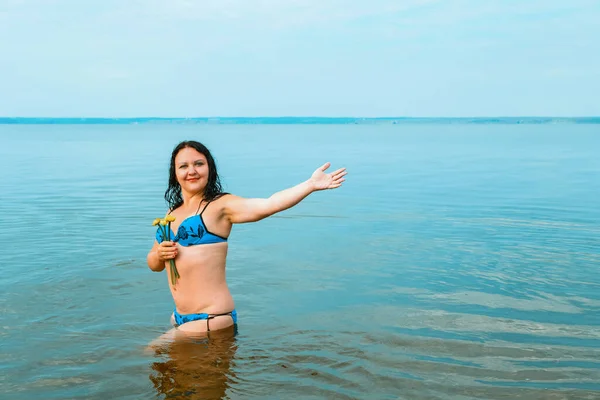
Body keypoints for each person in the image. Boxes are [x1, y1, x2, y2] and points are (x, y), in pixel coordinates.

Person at [146, 140, 347, 336]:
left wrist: (310, 185)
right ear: (175, 172)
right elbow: (154, 264)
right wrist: (160, 255)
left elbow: (270, 204)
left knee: (148, 354)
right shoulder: (172, 212)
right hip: (180, 318)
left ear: (210, 168)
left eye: (199, 164)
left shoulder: (220, 205)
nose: (191, 171)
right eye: (183, 166)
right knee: (171, 369)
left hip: (211, 318)